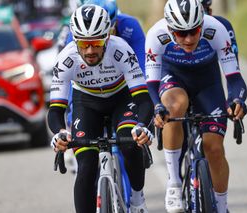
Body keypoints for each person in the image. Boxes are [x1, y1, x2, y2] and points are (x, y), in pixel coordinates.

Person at [47, 4, 153, 213]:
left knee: (130, 143)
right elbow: (56, 110)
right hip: (87, 103)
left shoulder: (121, 50)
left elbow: (143, 99)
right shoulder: (66, 60)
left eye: (96, 43)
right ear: (75, 41)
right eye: (84, 44)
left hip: (122, 98)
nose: (90, 50)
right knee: (85, 165)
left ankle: (138, 200)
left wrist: (142, 125)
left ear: (106, 37)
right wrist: (60, 132)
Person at [145, 0, 247, 212]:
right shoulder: (157, 34)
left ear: (203, 22)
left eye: (194, 31)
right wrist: (157, 107)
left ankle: (221, 206)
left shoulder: (216, 28)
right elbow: (152, 83)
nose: (189, 39)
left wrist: (237, 100)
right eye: (182, 34)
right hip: (172, 76)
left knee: (215, 148)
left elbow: (234, 78)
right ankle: (173, 182)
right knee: (175, 105)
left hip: (206, 81)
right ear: (170, 29)